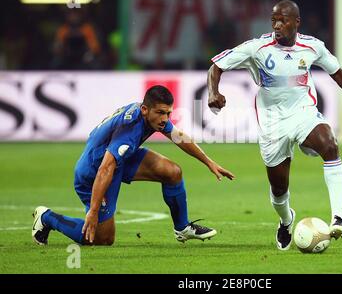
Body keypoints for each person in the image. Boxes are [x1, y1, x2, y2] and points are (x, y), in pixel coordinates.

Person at [207, 0, 342, 251]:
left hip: (303, 113)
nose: (277, 25)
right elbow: (217, 66)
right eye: (273, 20)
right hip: (272, 122)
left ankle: (338, 217)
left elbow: (338, 72)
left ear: (296, 22)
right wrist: (213, 93)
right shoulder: (257, 47)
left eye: (283, 20)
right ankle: (286, 220)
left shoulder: (313, 47)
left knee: (329, 144)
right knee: (278, 188)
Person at [32, 85, 235, 246]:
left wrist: (209, 162)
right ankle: (47, 217)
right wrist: (93, 211)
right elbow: (106, 168)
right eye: (161, 113)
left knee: (172, 172)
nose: (165, 119)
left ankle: (182, 228)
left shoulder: (149, 114)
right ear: (145, 110)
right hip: (94, 173)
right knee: (103, 238)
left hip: (119, 161)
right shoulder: (130, 128)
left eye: (168, 113)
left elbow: (178, 136)